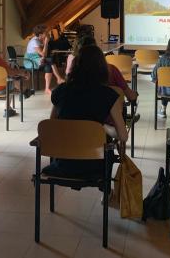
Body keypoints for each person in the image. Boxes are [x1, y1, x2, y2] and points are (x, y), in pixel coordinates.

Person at [44, 45, 128, 180]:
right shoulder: (108, 95)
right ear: (102, 67)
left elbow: (53, 126)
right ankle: (106, 194)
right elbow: (123, 136)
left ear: (75, 65)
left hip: (62, 163)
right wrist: (102, 127)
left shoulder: (60, 90)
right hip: (95, 165)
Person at [66, 35, 138, 103]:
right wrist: (135, 94)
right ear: (97, 51)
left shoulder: (71, 75)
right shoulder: (111, 70)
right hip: (109, 114)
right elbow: (130, 96)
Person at [24, 25, 64, 94]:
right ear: (40, 34)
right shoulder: (34, 42)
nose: (48, 33)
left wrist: (46, 45)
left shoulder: (39, 40)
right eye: (46, 32)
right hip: (30, 61)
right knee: (50, 60)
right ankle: (58, 79)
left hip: (37, 58)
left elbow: (44, 54)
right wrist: (46, 43)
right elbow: (43, 54)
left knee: (48, 65)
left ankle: (47, 88)